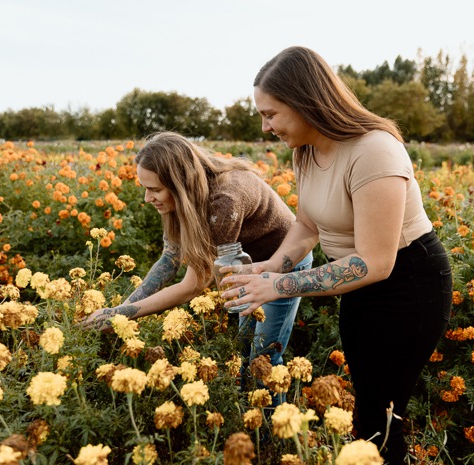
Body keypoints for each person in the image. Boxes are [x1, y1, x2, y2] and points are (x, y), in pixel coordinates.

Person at [220, 47, 452, 464]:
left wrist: (279, 285)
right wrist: (272, 265)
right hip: (359, 287)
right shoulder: (306, 149)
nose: (265, 126)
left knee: (384, 415)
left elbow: (375, 262)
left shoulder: (374, 150)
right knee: (367, 401)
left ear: (306, 102)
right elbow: (307, 227)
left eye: (271, 113)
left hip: (409, 285)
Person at [81, 131, 313, 402]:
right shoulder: (185, 200)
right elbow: (170, 259)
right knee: (243, 349)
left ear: (180, 184)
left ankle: (272, 433)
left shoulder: (223, 202)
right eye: (145, 188)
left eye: (155, 189)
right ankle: (248, 417)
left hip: (282, 264)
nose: (147, 198)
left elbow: (191, 286)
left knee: (263, 358)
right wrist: (118, 313)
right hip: (243, 267)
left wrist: (120, 315)